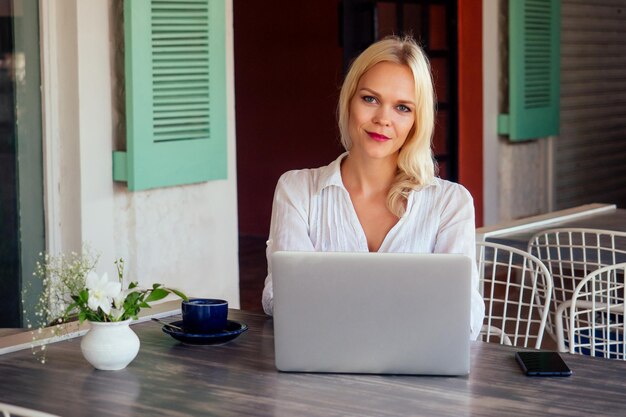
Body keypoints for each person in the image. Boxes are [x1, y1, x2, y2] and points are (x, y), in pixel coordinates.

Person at [262, 36, 484, 340]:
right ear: (349, 101)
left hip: (419, 376)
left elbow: (465, 318)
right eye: (370, 99)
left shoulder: (450, 203)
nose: (383, 119)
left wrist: (336, 303)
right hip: (320, 372)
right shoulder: (297, 190)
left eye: (403, 108)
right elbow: (284, 299)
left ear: (418, 121)